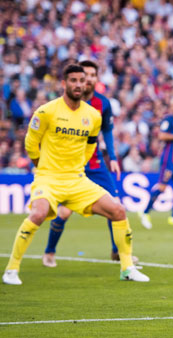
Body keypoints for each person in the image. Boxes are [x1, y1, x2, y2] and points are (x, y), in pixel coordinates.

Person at [2, 64, 149, 285]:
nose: (78, 84)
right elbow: (31, 143)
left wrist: (79, 165)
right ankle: (12, 269)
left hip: (77, 179)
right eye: (73, 80)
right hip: (48, 178)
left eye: (82, 80)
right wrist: (40, 166)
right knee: (38, 214)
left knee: (118, 210)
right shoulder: (47, 111)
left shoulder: (93, 115)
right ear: (64, 83)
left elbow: (91, 146)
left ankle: (127, 268)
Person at [42, 60, 132, 267]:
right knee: (63, 212)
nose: (89, 79)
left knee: (116, 206)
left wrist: (113, 157)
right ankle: (49, 251)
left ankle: (117, 252)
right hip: (72, 166)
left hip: (95, 163)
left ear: (96, 79)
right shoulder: (66, 104)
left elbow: (107, 131)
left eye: (92, 75)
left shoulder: (103, 104)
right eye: (85, 76)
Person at [138, 97, 173, 229]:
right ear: (172, 107)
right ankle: (145, 213)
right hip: (168, 159)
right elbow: (161, 136)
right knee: (162, 187)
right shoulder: (168, 120)